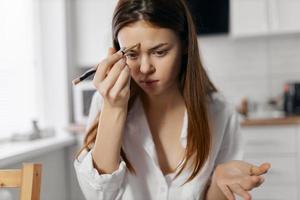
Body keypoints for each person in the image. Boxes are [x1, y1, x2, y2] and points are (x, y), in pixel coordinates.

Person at [74, 0, 271, 199]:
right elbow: (98, 195)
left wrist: (219, 183)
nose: (145, 68)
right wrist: (114, 109)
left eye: (160, 52)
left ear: (185, 44)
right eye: (132, 54)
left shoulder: (220, 113)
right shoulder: (106, 103)